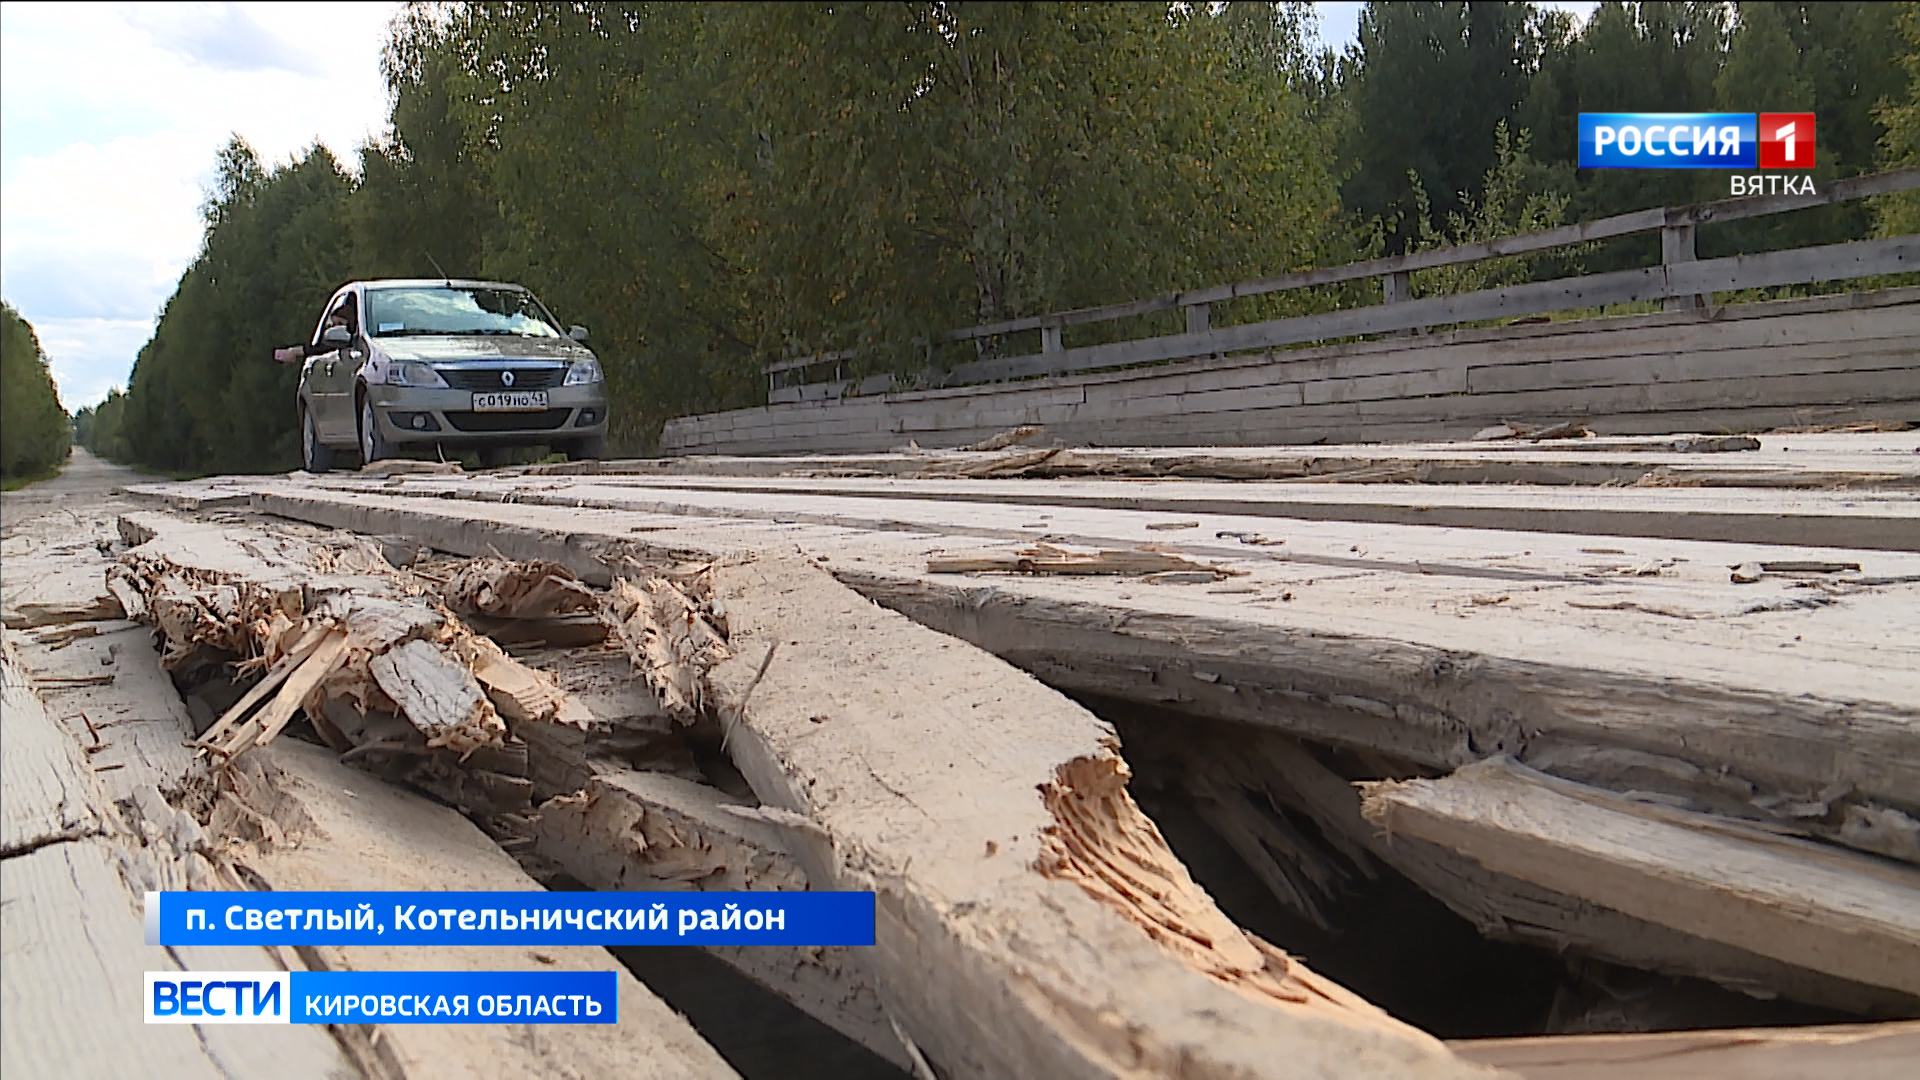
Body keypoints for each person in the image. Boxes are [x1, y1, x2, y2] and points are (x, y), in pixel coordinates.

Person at [273, 299, 357, 363]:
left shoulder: (357, 335)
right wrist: (295, 351)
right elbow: (322, 346)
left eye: (340, 323)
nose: (337, 329)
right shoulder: (344, 339)